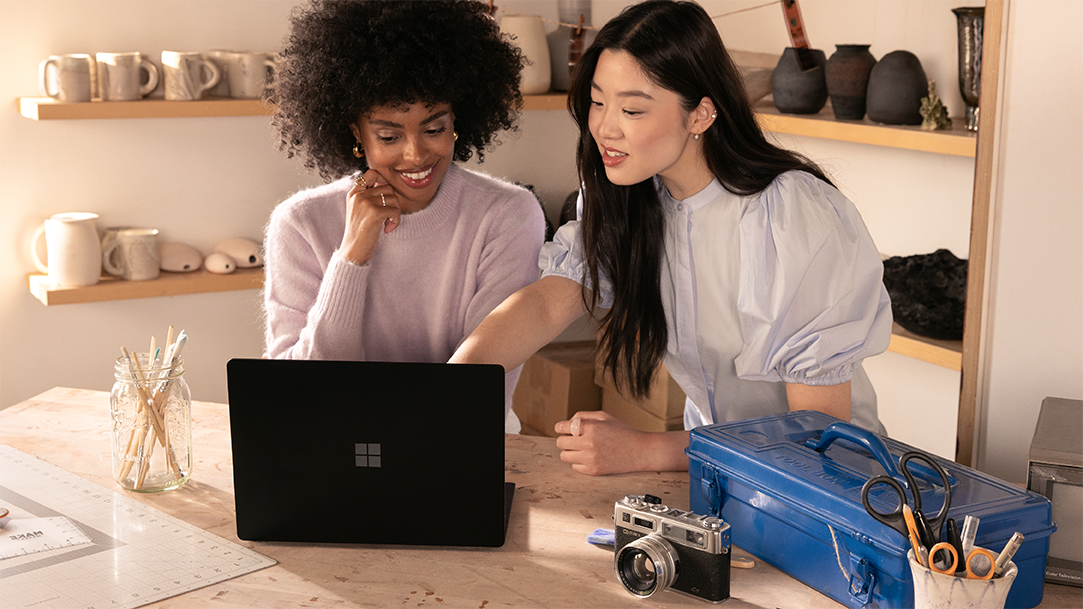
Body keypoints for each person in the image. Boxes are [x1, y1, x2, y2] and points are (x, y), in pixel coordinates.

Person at [450, 0, 892, 471]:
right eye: (598, 102)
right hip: (715, 475)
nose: (604, 128)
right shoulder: (632, 200)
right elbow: (545, 303)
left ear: (700, 115)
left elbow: (817, 434)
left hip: (831, 486)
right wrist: (449, 384)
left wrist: (645, 449)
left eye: (632, 109)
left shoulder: (792, 215)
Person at [263, 0, 546, 433]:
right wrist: (351, 256)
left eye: (434, 129)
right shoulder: (300, 224)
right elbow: (297, 394)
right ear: (357, 133)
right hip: (334, 446)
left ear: (458, 120)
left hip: (465, 444)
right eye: (389, 136)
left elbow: (479, 391)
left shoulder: (507, 215)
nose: (416, 155)